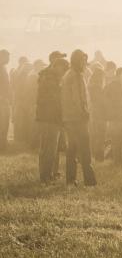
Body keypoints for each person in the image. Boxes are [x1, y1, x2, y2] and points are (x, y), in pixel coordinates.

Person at [61, 49, 96, 187]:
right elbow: (78, 98)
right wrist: (85, 112)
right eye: (83, 60)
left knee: (72, 149)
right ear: (78, 61)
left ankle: (70, 179)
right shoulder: (76, 76)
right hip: (78, 118)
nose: (85, 63)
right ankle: (89, 180)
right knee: (85, 149)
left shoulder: (68, 74)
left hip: (69, 117)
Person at [36, 53, 68, 183]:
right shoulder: (50, 79)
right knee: (50, 148)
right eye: (63, 69)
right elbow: (56, 100)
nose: (64, 72)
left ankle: (46, 174)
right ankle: (46, 176)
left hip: (47, 117)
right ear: (57, 66)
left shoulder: (47, 76)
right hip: (50, 118)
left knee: (47, 148)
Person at [104, 66, 122, 164]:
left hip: (113, 117)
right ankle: (118, 160)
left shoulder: (109, 86)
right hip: (118, 116)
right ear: (119, 75)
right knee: (119, 139)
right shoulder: (120, 86)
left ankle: (118, 160)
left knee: (117, 140)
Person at [0, 49, 10, 151]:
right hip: (2, 100)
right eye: (7, 57)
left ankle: (3, 143)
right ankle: (2, 145)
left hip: (4, 99)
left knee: (4, 123)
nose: (8, 59)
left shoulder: (3, 68)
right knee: (2, 123)